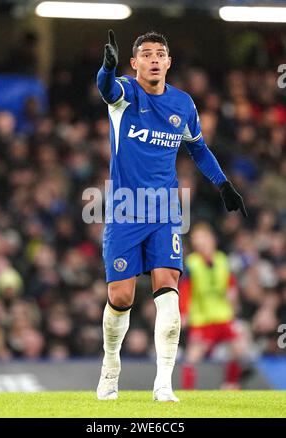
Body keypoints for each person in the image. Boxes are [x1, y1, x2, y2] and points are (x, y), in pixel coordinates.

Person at [96, 29, 247, 402]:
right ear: (134, 63)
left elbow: (198, 149)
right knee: (122, 296)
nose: (152, 59)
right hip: (126, 208)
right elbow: (106, 88)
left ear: (168, 62)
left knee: (169, 291)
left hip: (165, 210)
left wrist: (223, 184)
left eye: (159, 53)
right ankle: (110, 367)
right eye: (145, 54)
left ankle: (164, 383)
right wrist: (106, 67)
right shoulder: (125, 94)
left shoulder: (183, 104)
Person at [180, 223, 244, 390]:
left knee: (238, 348)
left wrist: (233, 296)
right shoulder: (192, 263)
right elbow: (185, 289)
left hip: (223, 315)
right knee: (193, 356)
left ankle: (230, 384)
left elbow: (230, 283)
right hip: (202, 318)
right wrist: (184, 313)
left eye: (204, 238)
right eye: (197, 239)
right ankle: (188, 391)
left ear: (212, 239)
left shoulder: (222, 259)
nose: (201, 243)